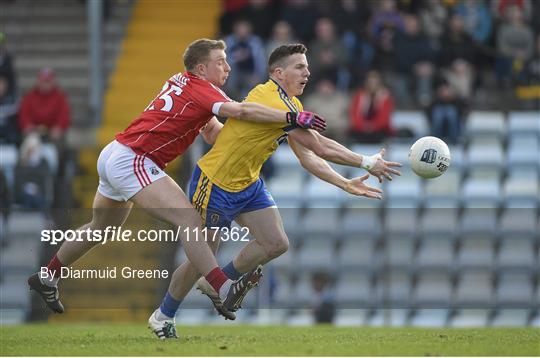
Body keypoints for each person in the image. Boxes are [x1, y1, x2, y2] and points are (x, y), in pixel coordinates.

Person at [26, 39, 326, 339]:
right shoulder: (204, 89)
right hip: (135, 159)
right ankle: (222, 285)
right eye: (220, 61)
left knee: (100, 228)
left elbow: (212, 133)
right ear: (201, 68)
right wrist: (290, 117)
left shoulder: (183, 83)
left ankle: (48, 274)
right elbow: (243, 112)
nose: (227, 66)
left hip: (115, 153)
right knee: (189, 220)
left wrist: (249, 142)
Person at [147, 44, 401, 338]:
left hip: (248, 185)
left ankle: (219, 281)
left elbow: (308, 157)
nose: (307, 72)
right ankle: (163, 316)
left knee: (276, 243)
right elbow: (319, 146)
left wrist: (343, 182)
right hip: (215, 182)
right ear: (278, 73)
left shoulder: (292, 108)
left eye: (307, 67)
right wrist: (367, 162)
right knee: (199, 260)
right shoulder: (271, 99)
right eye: (299, 67)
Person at [18, 68, 71, 143]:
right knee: (27, 141)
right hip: (34, 130)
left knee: (60, 140)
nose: (45, 85)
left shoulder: (60, 97)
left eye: (47, 82)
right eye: (43, 82)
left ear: (53, 82)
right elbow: (23, 114)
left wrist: (59, 127)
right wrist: (27, 126)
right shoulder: (29, 96)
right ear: (38, 82)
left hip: (52, 131)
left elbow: (65, 115)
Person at [348, 71, 395, 144]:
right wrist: (364, 126)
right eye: (370, 82)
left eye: (375, 82)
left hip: (379, 130)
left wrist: (372, 126)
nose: (373, 85)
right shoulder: (360, 95)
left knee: (382, 135)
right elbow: (355, 115)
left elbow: (385, 118)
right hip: (361, 130)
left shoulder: (385, 97)